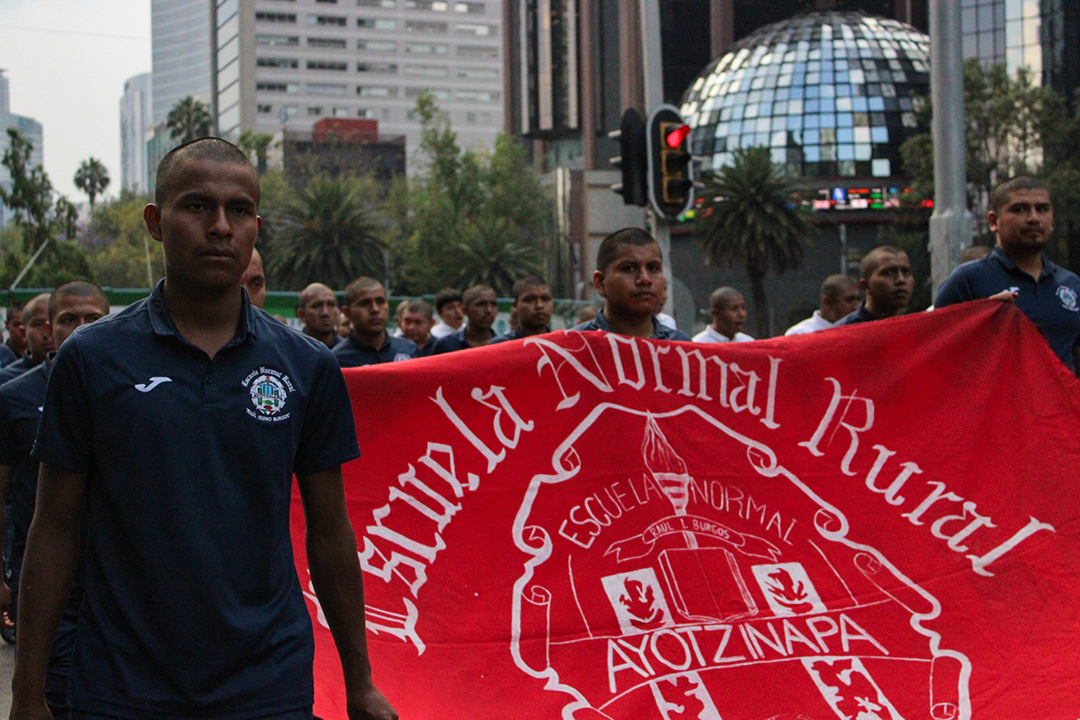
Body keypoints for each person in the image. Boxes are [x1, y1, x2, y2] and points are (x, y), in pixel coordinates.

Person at [11, 138, 397, 720]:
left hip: (268, 684)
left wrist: (359, 682)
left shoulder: (307, 366)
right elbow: (55, 528)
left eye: (239, 211)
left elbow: (330, 533)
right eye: (196, 207)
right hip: (122, 686)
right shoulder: (92, 360)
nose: (221, 227)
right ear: (154, 223)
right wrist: (27, 692)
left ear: (256, 227)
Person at [0, 281, 110, 719]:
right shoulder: (13, 398)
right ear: (48, 329)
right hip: (47, 591)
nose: (80, 329)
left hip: (117, 589)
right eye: (68, 320)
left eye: (93, 320)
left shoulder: (135, 394)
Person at [936, 176, 1080, 373]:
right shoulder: (967, 280)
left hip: (1060, 403)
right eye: (1019, 209)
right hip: (997, 402)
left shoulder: (1071, 284)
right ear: (994, 221)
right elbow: (937, 355)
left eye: (1042, 209)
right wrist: (982, 320)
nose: (1033, 218)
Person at [574, 228, 691, 340]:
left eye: (653, 268)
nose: (645, 279)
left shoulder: (682, 348)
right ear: (600, 283)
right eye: (629, 269)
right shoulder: (571, 348)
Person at [332, 276, 417, 367]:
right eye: (365, 303)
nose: (375, 309)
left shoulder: (408, 349)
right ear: (347, 313)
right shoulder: (336, 360)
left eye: (380, 302)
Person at [835, 245, 914, 325]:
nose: (901, 280)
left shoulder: (916, 328)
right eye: (888, 273)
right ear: (865, 285)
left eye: (906, 272)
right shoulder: (844, 331)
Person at [0, 294, 54, 385]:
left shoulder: (81, 375)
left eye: (53, 323)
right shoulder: (6, 382)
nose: (47, 333)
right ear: (23, 332)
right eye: (38, 324)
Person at [785, 274, 862, 336]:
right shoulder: (799, 333)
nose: (856, 306)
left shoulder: (859, 331)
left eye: (858, 299)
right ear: (828, 302)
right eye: (849, 300)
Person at [431, 285, 499, 353]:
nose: (489, 310)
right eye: (481, 305)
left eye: (493, 305)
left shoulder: (502, 345)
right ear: (465, 310)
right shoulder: (446, 345)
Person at [491, 276, 554, 344]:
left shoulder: (562, 344)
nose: (539, 305)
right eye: (530, 300)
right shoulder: (500, 346)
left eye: (545, 299)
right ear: (515, 305)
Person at [296, 282, 340, 349]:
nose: (325, 312)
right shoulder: (290, 351)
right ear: (302, 315)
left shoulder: (350, 352)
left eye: (331, 305)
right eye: (317, 306)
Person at [0, 302, 24, 367]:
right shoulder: (2, 357)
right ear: (7, 325)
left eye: (25, 325)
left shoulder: (41, 357)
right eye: (16, 325)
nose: (21, 329)